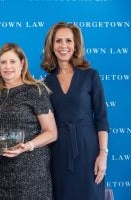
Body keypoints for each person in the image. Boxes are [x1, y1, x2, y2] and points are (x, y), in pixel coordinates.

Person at [41, 22, 109, 200]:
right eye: (58, 41)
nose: (63, 46)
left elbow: (101, 118)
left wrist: (103, 154)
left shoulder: (91, 75)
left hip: (88, 150)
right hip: (58, 151)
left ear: (76, 45)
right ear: (51, 45)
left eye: (68, 41)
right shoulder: (46, 83)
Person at [0, 43, 57, 200]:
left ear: (22, 63)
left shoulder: (36, 90)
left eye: (12, 61)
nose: (7, 66)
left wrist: (27, 146)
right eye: (3, 62)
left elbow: (51, 133)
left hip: (29, 175)